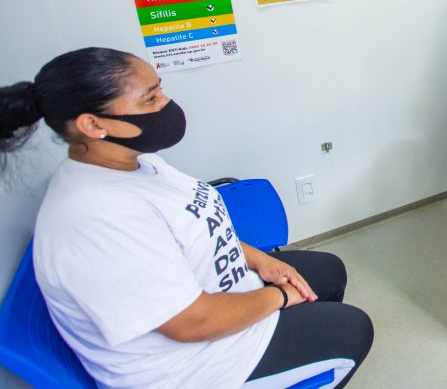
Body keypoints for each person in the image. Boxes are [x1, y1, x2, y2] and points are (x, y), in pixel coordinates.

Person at [0, 48, 374, 388]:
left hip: (216, 288)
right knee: (354, 329)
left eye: (160, 89)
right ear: (93, 125)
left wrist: (262, 261)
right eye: (151, 98)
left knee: (327, 271)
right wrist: (279, 296)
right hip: (192, 365)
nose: (167, 104)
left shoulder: (136, 162)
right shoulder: (93, 216)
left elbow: (198, 228)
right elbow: (193, 322)